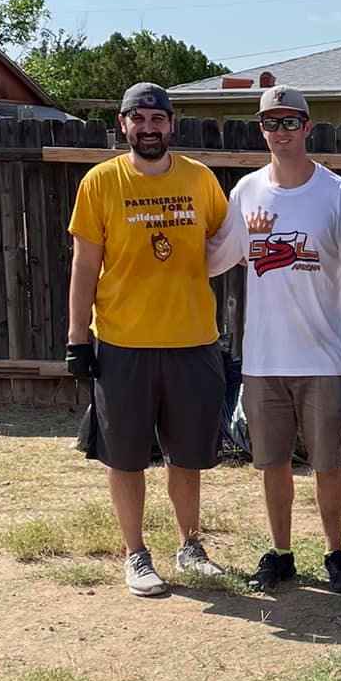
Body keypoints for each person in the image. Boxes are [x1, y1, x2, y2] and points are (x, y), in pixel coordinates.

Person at [65, 80, 230, 598]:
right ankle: (136, 555)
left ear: (172, 124)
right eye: (138, 118)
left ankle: (190, 545)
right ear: (123, 124)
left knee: (186, 454)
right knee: (126, 455)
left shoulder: (201, 180)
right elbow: (85, 264)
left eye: (158, 119)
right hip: (122, 342)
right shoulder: (100, 182)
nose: (149, 127)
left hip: (192, 339)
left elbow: (227, 243)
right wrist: (77, 338)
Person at [207, 84, 341, 595]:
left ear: (307, 127)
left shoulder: (337, 193)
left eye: (289, 121)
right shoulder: (247, 192)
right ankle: (281, 553)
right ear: (262, 130)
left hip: (322, 354)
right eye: (270, 123)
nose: (280, 131)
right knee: (272, 464)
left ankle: (335, 553)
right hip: (262, 358)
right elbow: (217, 259)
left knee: (327, 463)